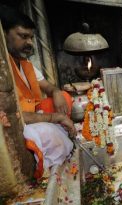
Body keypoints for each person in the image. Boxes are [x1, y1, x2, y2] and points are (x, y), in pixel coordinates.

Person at [1, 6, 76, 178]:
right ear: (4, 34)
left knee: (64, 97)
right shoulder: (3, 67)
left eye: (31, 37)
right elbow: (14, 114)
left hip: (33, 114)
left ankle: (57, 130)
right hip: (20, 121)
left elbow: (48, 86)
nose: (29, 42)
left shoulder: (25, 63)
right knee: (53, 135)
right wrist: (55, 117)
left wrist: (56, 92)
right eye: (23, 36)